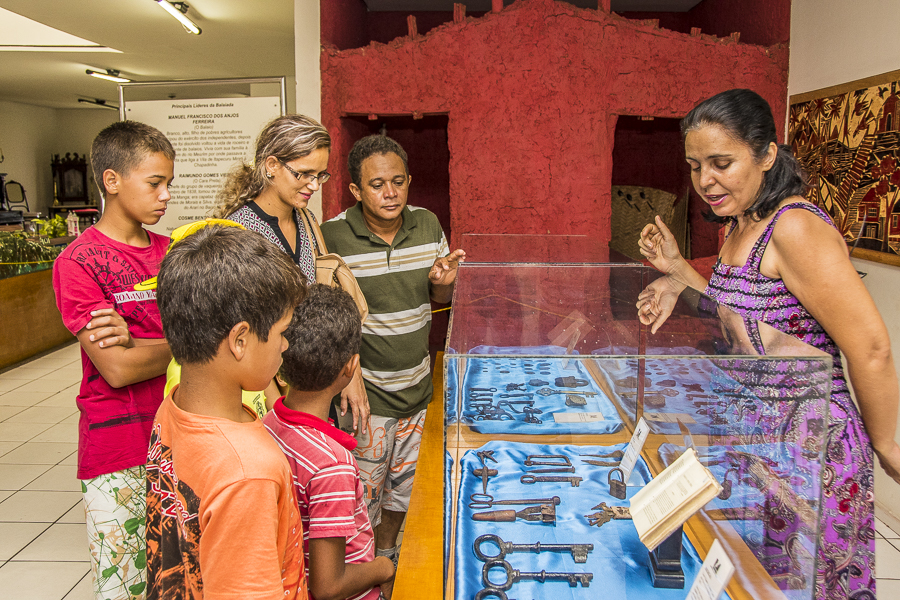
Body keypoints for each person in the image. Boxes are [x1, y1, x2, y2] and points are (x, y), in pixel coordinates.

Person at [637, 88, 900, 600]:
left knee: (817, 582)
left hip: (809, 440)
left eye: (721, 163)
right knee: (765, 583)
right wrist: (675, 272)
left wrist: (886, 441)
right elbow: (743, 320)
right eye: (695, 166)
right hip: (759, 438)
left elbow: (870, 348)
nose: (705, 180)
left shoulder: (794, 226)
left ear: (766, 155)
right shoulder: (740, 225)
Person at [320, 134, 465, 596]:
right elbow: (327, 317)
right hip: (364, 398)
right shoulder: (332, 235)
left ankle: (385, 564)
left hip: (418, 392)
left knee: (403, 493)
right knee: (361, 497)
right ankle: (357, 577)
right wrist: (349, 375)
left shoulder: (426, 225)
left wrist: (444, 284)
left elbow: (439, 298)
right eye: (377, 185)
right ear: (356, 191)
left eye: (398, 182)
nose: (390, 193)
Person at [145, 225, 308, 599]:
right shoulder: (248, 472)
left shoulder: (173, 405)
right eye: (282, 332)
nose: (285, 345)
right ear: (240, 340)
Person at [52, 120, 174, 600]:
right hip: (117, 448)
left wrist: (138, 341)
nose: (165, 195)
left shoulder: (175, 254)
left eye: (169, 183)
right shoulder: (79, 262)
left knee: (180, 579)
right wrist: (183, 344)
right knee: (123, 586)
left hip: (178, 437)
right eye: (155, 182)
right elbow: (118, 368)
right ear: (111, 180)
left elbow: (213, 343)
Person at [214, 114, 370, 430]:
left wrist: (346, 373)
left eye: (320, 175)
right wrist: (279, 409)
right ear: (271, 165)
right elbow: (239, 330)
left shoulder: (308, 220)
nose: (313, 185)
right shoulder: (240, 232)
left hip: (313, 385)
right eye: (304, 174)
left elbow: (321, 307)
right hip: (274, 395)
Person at [265, 284, 395, 600]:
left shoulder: (269, 422)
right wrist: (382, 568)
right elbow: (329, 587)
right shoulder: (331, 463)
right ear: (350, 367)